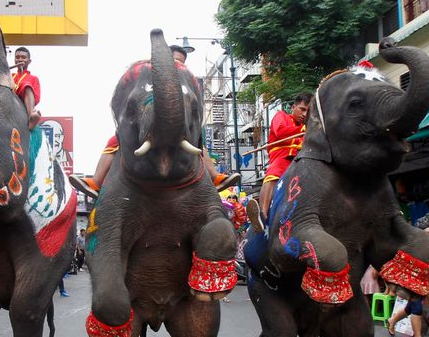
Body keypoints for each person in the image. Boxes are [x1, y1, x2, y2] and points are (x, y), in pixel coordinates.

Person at [68, 44, 240, 197]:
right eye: (174, 60)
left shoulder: (185, 81)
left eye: (181, 62)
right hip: (146, 124)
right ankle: (96, 182)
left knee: (199, 145)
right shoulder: (147, 75)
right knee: (113, 142)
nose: (177, 65)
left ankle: (214, 176)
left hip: (181, 128)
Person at [246, 92, 312, 231]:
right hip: (282, 156)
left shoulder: (310, 128)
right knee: (275, 173)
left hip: (303, 158)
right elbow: (280, 131)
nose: (305, 114)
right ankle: (262, 214)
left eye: (309, 111)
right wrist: (304, 129)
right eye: (302, 109)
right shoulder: (281, 116)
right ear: (293, 107)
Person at [12, 46, 42, 130]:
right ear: (14, 60)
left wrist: (22, 86)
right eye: (17, 57)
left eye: (24, 57)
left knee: (27, 86)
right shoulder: (10, 76)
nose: (20, 60)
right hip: (10, 100)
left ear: (29, 61)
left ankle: (31, 117)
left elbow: (36, 97)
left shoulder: (33, 78)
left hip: (23, 104)